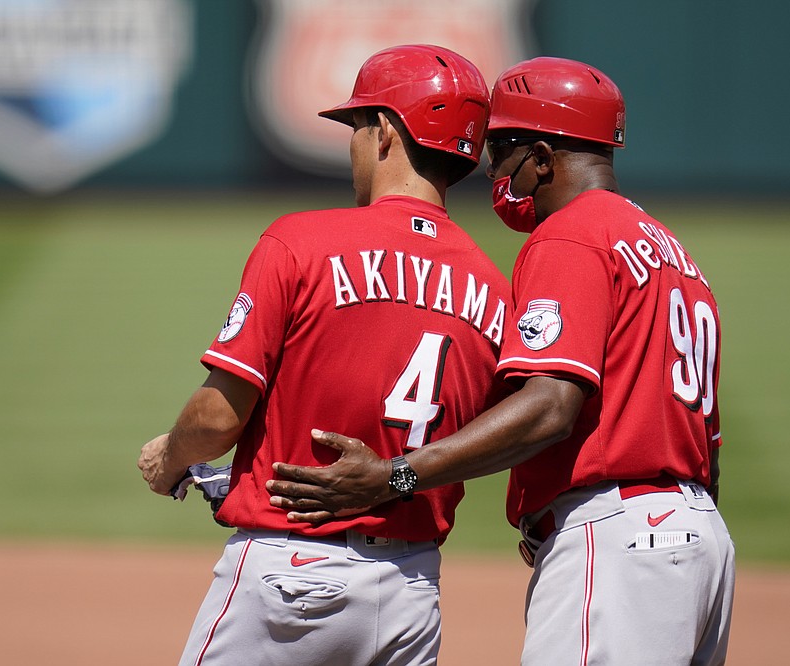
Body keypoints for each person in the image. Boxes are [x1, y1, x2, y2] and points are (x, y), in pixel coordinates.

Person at [268, 56, 735, 665]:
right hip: (701, 543)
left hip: (622, 537)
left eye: (502, 150)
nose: (492, 167)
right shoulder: (674, 254)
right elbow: (710, 446)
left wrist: (397, 475)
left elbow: (550, 407)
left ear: (541, 158)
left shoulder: (571, 234)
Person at [137, 44, 512, 666]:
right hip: (412, 592)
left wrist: (170, 458)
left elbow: (217, 420)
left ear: (388, 133)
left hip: (291, 579)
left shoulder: (301, 241)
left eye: (359, 126)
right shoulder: (496, 291)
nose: (353, 145)